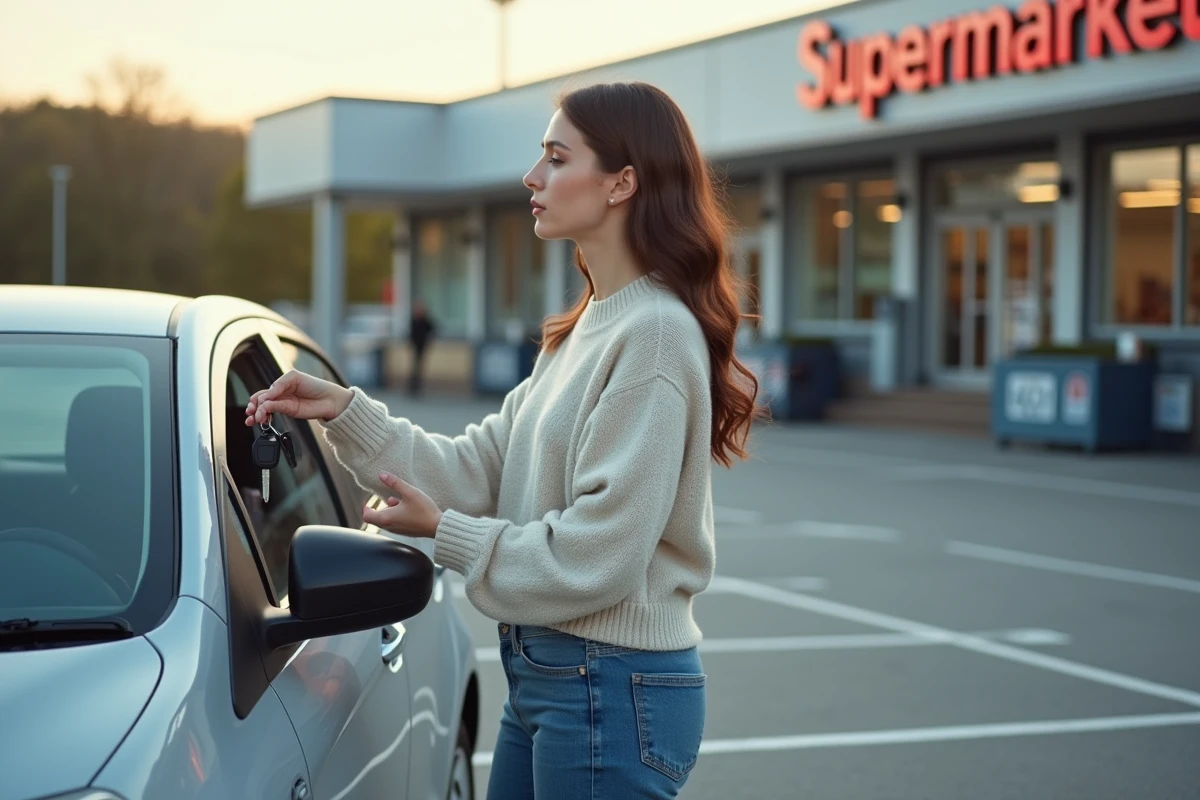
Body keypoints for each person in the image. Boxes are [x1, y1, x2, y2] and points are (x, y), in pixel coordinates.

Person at [246, 80, 762, 799]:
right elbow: (477, 468)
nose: (532, 176)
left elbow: (600, 554)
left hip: (607, 683)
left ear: (622, 183)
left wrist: (446, 533)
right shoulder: (583, 330)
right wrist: (344, 411)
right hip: (552, 673)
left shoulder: (653, 336)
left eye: (557, 158)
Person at [408, 298, 436, 395]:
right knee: (415, 367)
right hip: (415, 346)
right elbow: (411, 334)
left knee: (418, 367)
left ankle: (416, 386)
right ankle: (413, 387)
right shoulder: (414, 320)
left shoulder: (425, 320)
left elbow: (432, 329)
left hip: (422, 346)